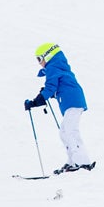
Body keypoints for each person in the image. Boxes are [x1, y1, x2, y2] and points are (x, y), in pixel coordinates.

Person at [24, 43, 95, 173]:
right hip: (72, 100)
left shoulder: (53, 68)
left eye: (40, 59)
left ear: (48, 55)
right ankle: (73, 161)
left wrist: (37, 100)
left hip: (72, 101)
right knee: (64, 132)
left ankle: (82, 162)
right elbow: (57, 86)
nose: (39, 63)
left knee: (70, 131)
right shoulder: (57, 67)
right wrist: (48, 93)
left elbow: (51, 86)